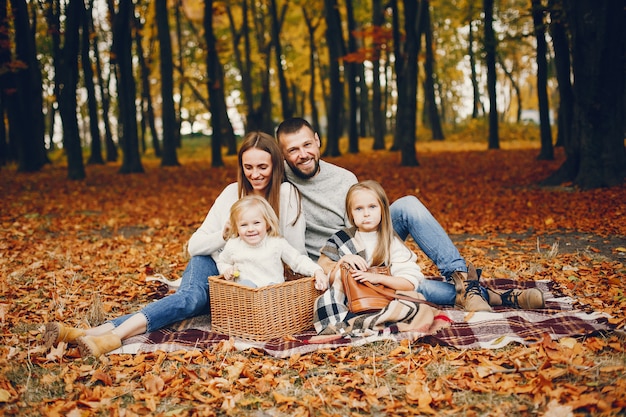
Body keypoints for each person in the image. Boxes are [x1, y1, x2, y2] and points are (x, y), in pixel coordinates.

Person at [42, 131, 315, 358]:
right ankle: (112, 338)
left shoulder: (287, 195)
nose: (255, 174)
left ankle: (87, 334)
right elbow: (194, 247)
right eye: (248, 167)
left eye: (262, 167)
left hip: (244, 282)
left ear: (275, 166)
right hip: (212, 262)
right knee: (189, 300)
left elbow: (293, 251)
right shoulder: (231, 193)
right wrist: (224, 235)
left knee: (187, 305)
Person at [275, 117, 545, 312]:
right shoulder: (277, 183)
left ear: (318, 141)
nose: (303, 154)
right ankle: (501, 297)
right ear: (283, 155)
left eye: (307, 145)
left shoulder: (344, 178)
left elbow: (360, 228)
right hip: (331, 264)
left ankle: (463, 279)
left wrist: (377, 265)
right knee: (414, 286)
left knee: (408, 205)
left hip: (362, 241)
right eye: (293, 150)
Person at [317, 181, 543, 321]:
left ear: (383, 211)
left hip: (394, 288)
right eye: (359, 209)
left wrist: (376, 277)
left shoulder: (389, 240)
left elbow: (410, 281)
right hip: (366, 296)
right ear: (350, 214)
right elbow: (324, 269)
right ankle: (490, 295)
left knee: (428, 289)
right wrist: (343, 260)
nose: (366, 214)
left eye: (372, 207)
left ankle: (498, 295)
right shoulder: (342, 239)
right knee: (425, 290)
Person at [216, 195, 327, 288]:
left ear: (267, 223)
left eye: (256, 223)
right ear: (237, 227)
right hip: (246, 298)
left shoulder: (276, 243)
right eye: (244, 225)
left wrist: (316, 271)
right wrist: (226, 269)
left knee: (274, 289)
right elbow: (222, 261)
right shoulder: (234, 245)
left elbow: (297, 260)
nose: (250, 229)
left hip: (273, 296)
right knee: (245, 286)